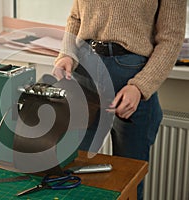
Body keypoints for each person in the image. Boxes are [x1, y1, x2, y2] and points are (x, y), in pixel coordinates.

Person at [53, 1, 186, 199]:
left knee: (128, 182)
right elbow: (76, 18)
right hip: (84, 74)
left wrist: (140, 86)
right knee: (70, 170)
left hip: (131, 82)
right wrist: (66, 54)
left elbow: (171, 38)